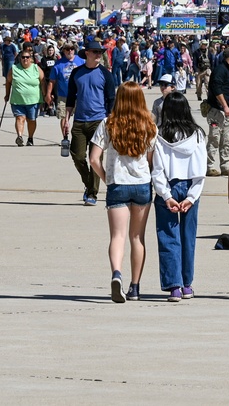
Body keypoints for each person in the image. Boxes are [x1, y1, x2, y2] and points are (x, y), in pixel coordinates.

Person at [89, 81, 157, 303]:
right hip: (142, 185)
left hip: (117, 184)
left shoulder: (108, 124)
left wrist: (107, 179)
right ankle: (135, 287)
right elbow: (151, 160)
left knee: (117, 236)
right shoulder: (149, 125)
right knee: (137, 237)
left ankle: (116, 273)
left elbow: (93, 158)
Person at [151, 91, 207, 302]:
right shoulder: (198, 134)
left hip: (168, 186)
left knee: (168, 237)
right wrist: (191, 197)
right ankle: (187, 284)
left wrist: (165, 195)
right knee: (188, 238)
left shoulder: (159, 135)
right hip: (191, 185)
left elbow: (156, 170)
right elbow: (200, 170)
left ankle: (174, 285)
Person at [63, 39, 117, 206]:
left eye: (100, 52)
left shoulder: (105, 74)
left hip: (99, 121)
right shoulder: (77, 73)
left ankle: (92, 193)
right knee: (77, 155)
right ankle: (89, 184)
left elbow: (111, 99)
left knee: (96, 158)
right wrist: (66, 118)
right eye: (95, 52)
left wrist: (111, 119)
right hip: (79, 120)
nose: (99, 55)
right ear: (87, 53)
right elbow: (71, 97)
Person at [205, 46, 229, 177]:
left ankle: (225, 165)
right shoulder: (220, 70)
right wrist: (225, 106)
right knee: (214, 138)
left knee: (226, 139)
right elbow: (216, 89)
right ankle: (211, 166)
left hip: (227, 112)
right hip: (217, 111)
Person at [5, 49, 44, 147]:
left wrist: (46, 95)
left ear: (31, 59)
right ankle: (20, 137)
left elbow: (43, 82)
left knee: (31, 120)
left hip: (34, 100)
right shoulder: (14, 69)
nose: (25, 59)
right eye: (23, 57)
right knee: (20, 118)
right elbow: (8, 82)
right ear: (20, 59)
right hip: (18, 100)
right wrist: (7, 94)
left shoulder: (36, 68)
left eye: (27, 57)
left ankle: (30, 138)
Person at [45, 43, 84, 135]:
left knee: (81, 118)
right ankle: (65, 138)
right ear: (63, 51)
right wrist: (48, 94)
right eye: (67, 49)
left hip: (79, 95)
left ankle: (78, 136)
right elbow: (52, 81)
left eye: (71, 49)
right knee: (64, 117)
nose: (69, 51)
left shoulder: (81, 61)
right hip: (63, 95)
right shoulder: (58, 64)